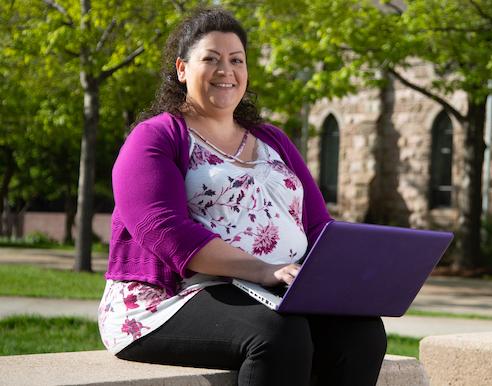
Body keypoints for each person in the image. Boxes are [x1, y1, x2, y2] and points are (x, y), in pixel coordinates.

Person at [97, 7, 386, 386]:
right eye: (211, 59)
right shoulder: (156, 137)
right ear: (182, 70)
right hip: (170, 298)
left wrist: (348, 276)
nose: (226, 71)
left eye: (236, 60)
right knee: (277, 334)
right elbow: (163, 231)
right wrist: (262, 269)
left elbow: (317, 225)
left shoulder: (272, 139)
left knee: (362, 334)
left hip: (274, 289)